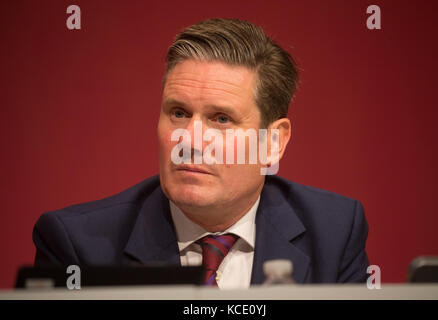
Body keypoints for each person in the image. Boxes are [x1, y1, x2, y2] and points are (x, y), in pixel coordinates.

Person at [33, 18, 370, 289]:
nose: (189, 139)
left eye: (221, 119)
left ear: (272, 143)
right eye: (178, 113)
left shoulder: (334, 231)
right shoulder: (78, 247)